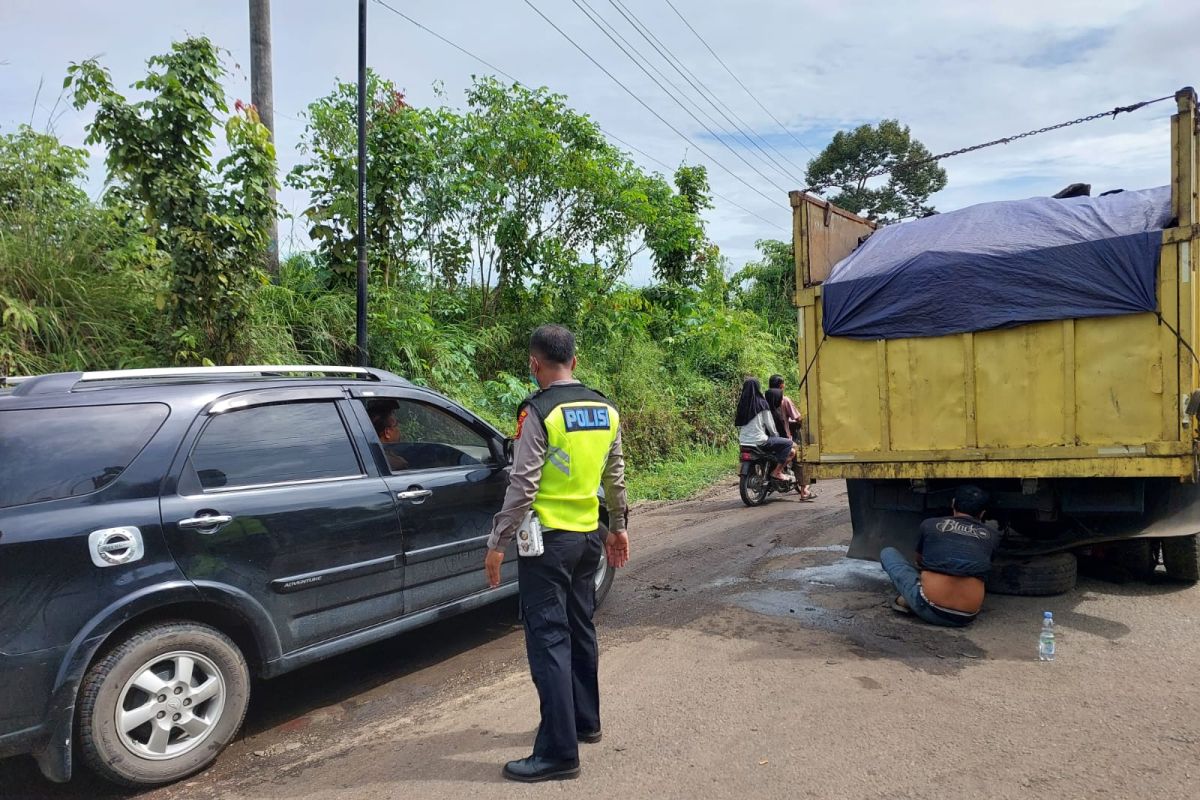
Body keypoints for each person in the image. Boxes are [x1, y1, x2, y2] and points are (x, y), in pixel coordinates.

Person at [483, 324, 630, 783]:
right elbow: (615, 475)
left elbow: (523, 483)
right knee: (581, 628)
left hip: (547, 545)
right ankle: (585, 722)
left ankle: (558, 753)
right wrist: (619, 528)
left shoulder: (539, 411)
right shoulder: (605, 408)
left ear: (534, 364)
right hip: (588, 538)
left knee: (548, 639)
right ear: (575, 361)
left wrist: (497, 542)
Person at [881, 485, 999, 627]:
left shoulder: (930, 524)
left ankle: (908, 600)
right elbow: (985, 568)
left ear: (953, 504)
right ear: (982, 513)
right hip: (966, 616)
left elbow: (919, 560)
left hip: (931, 608)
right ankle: (914, 599)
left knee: (888, 553)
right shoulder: (992, 536)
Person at [735, 377, 794, 481]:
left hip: (743, 441)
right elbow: (770, 425)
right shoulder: (762, 404)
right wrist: (775, 436)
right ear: (758, 388)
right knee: (788, 443)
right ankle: (777, 472)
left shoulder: (742, 405)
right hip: (760, 440)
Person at [769, 375, 814, 501]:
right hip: (784, 438)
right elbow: (798, 418)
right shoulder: (784, 400)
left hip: (767, 438)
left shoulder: (764, 399)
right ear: (781, 385)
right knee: (800, 457)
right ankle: (804, 491)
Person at [365, 399, 409, 472]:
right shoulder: (397, 463)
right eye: (396, 425)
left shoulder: (364, 452)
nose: (399, 430)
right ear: (387, 433)